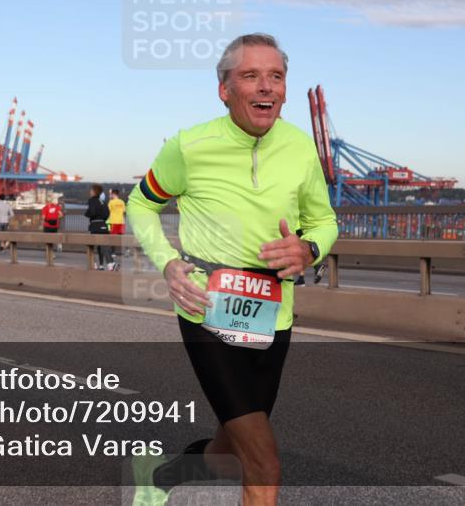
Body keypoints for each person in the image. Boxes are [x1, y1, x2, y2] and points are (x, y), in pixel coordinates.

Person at [128, 34, 338, 506]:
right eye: (251, 76)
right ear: (224, 89)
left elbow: (324, 220)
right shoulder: (190, 146)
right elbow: (141, 205)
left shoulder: (302, 149)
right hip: (208, 309)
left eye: (276, 76)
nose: (266, 87)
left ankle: (164, 476)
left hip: (273, 313)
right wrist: (168, 263)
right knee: (263, 461)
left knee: (236, 440)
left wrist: (309, 249)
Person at [85, 184, 110, 270]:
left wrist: (87, 214)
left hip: (95, 225)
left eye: (91, 190)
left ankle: (94, 264)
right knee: (102, 246)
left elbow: (91, 212)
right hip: (103, 225)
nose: (90, 192)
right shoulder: (103, 201)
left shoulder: (92, 200)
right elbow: (107, 214)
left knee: (91, 245)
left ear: (94, 191)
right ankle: (103, 264)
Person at [107, 188, 126, 266]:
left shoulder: (111, 202)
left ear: (113, 194)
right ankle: (125, 250)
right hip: (121, 221)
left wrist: (109, 198)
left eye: (111, 194)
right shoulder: (122, 202)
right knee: (120, 237)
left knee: (112, 238)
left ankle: (112, 252)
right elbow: (124, 211)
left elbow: (108, 210)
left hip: (113, 221)